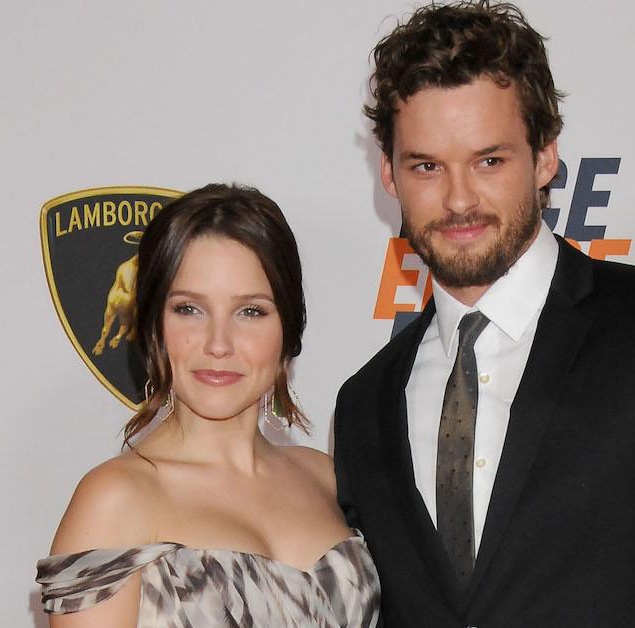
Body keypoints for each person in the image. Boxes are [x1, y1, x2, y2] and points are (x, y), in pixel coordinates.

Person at [333, 2, 635, 626]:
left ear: (545, 156)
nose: (459, 198)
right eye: (427, 167)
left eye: (489, 160)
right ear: (388, 174)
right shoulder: (364, 402)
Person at [37, 184, 380, 627]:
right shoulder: (114, 500)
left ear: (287, 328)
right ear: (154, 326)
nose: (219, 344)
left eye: (251, 312)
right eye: (189, 309)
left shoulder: (325, 477)